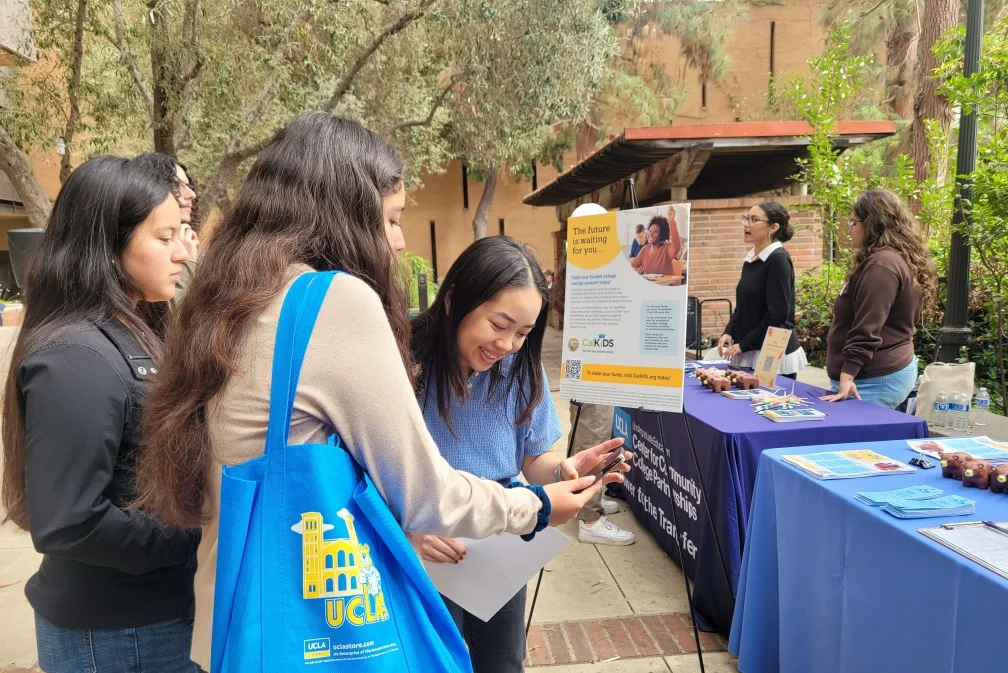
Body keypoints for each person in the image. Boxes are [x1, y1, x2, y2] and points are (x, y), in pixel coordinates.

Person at [131, 112, 616, 670]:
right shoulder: (333, 301)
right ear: (345, 215)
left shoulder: (234, 297)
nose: (400, 240)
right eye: (390, 219)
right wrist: (533, 507)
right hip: (318, 625)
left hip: (245, 615)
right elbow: (427, 495)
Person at [0, 156, 199, 673]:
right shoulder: (76, 356)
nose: (181, 252)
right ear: (109, 246)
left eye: (181, 233)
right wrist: (187, 536)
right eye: (164, 237)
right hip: (114, 635)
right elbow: (68, 520)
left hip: (148, 620)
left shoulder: (130, 330)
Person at [410, 236, 631, 672]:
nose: (508, 345)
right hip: (428, 547)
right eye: (499, 325)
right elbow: (365, 469)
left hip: (501, 539)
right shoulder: (405, 365)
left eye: (523, 333)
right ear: (454, 299)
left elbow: (533, 460)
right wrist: (408, 529)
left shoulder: (518, 369)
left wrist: (562, 472)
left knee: (504, 661)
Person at [821, 188, 935, 408]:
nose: (849, 230)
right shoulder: (886, 260)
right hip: (870, 375)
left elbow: (868, 327)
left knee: (854, 442)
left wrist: (847, 376)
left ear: (872, 224)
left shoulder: (882, 265)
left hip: (872, 379)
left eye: (853, 223)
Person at [565, 202, 636, 546]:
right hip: (593, 369)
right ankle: (590, 519)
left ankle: (586, 500)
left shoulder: (580, 266)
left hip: (589, 369)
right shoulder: (589, 268)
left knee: (585, 439)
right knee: (592, 440)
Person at [717, 202, 807, 378]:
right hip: (749, 349)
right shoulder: (751, 259)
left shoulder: (778, 260)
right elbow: (743, 305)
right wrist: (729, 331)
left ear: (773, 227)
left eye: (754, 219)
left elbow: (778, 314)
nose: (746, 224)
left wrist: (744, 344)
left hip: (772, 352)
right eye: (746, 218)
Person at [133, 153, 200, 311]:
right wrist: (188, 266)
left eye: (188, 186)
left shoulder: (190, 243)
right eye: (179, 185)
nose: (192, 194)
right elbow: (172, 324)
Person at [629, 208, 683, 276]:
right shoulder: (645, 249)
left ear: (661, 235)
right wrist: (638, 271)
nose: (651, 234)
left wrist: (671, 221)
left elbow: (676, 247)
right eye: (650, 230)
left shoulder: (666, 249)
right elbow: (633, 265)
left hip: (667, 285)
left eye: (655, 231)